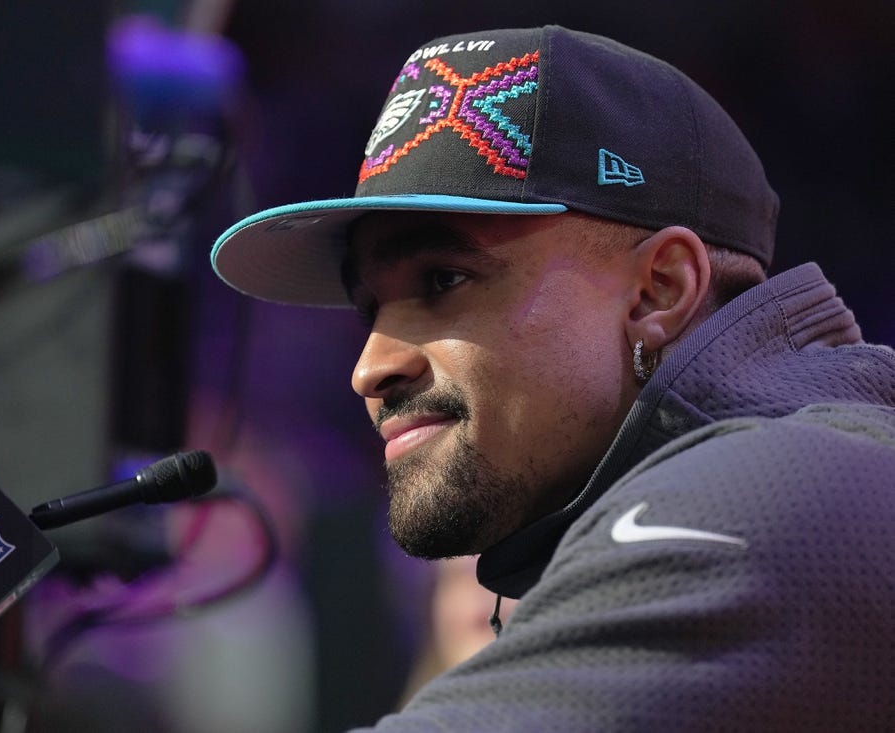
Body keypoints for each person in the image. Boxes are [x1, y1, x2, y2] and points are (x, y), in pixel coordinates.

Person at [211, 25, 895, 730]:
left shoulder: (767, 494)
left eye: (443, 280)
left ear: (658, 290)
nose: (370, 367)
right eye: (371, 308)